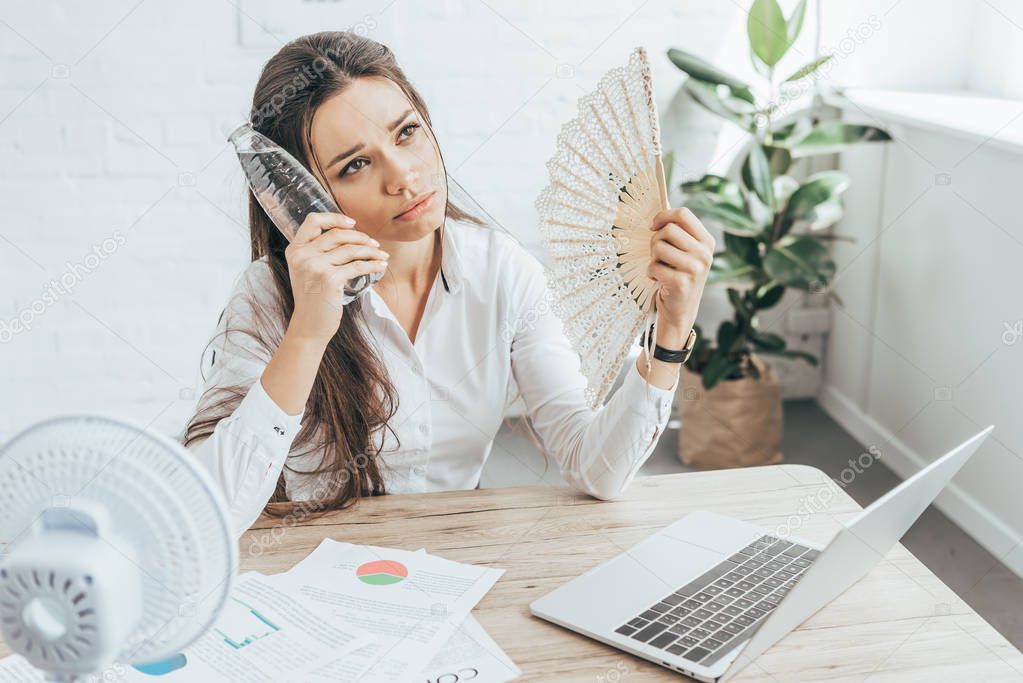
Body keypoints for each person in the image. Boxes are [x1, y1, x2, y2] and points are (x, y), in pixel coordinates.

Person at [183, 31, 715, 537]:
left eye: (406, 133)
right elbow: (209, 512)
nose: (404, 177)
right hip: (311, 572)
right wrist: (307, 333)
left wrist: (669, 334)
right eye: (356, 165)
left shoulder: (501, 272)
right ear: (305, 197)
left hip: (454, 565)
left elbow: (596, 468)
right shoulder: (269, 295)